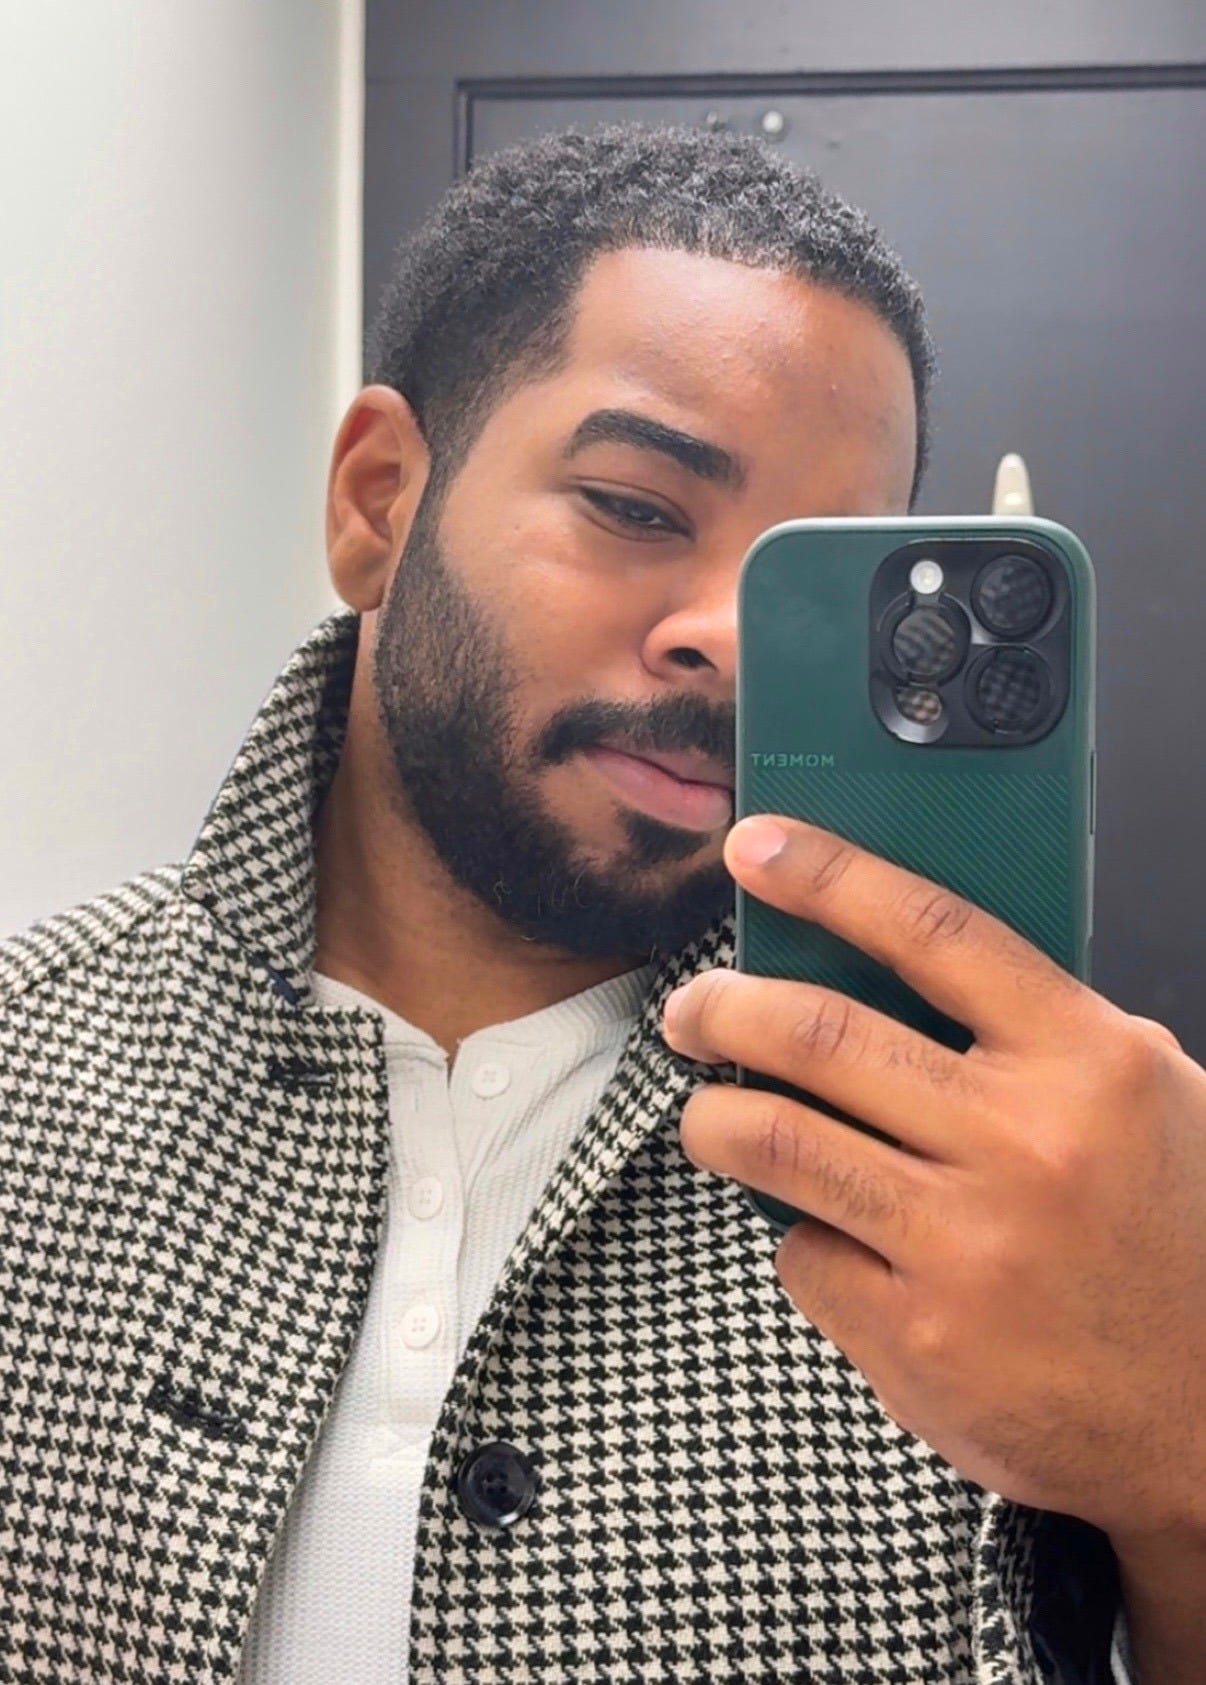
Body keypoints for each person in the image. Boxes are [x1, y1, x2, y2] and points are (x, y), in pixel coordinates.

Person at [2, 125, 1202, 1685]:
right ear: (377, 502)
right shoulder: (26, 1076)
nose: (730, 638)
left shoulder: (1016, 1166)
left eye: (808, 571)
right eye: (636, 507)